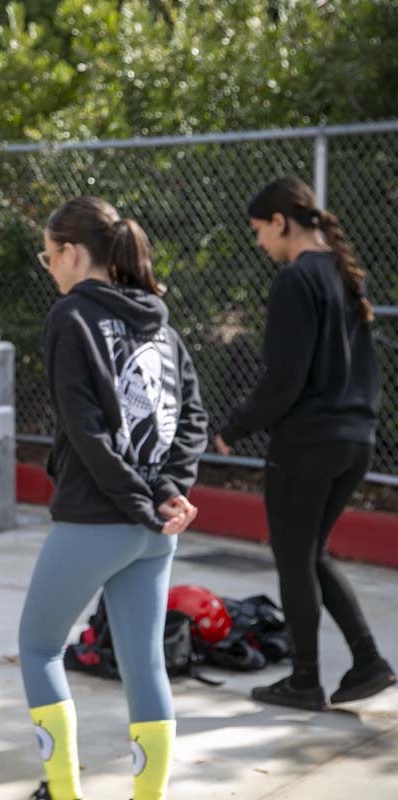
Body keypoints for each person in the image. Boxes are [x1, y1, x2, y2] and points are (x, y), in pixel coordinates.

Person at [19, 197, 208, 800]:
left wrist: (140, 500)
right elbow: (193, 420)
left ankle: (65, 794)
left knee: (39, 647)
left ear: (74, 253)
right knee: (144, 664)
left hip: (100, 516)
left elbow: (85, 428)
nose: (50, 268)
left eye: (50, 256)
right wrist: (170, 493)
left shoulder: (71, 318)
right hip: (156, 528)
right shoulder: (160, 320)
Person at [215, 176, 394, 711]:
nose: (259, 244)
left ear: (280, 222)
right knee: (309, 553)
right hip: (354, 441)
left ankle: (305, 680)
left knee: (293, 559)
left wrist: (234, 426)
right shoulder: (341, 274)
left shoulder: (297, 280)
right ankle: (367, 662)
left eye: (259, 232)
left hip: (309, 443)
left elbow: (283, 378)